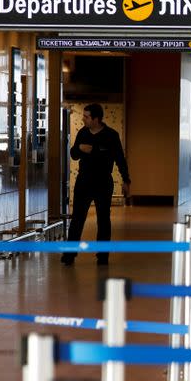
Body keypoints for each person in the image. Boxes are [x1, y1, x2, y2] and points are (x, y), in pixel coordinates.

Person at [60, 103, 131, 266]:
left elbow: (120, 159)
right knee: (77, 218)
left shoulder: (111, 136)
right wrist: (79, 148)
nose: (83, 119)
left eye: (86, 116)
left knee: (103, 219)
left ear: (96, 119)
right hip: (83, 181)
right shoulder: (83, 133)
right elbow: (73, 155)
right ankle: (70, 254)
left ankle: (103, 255)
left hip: (103, 182)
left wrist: (126, 180)